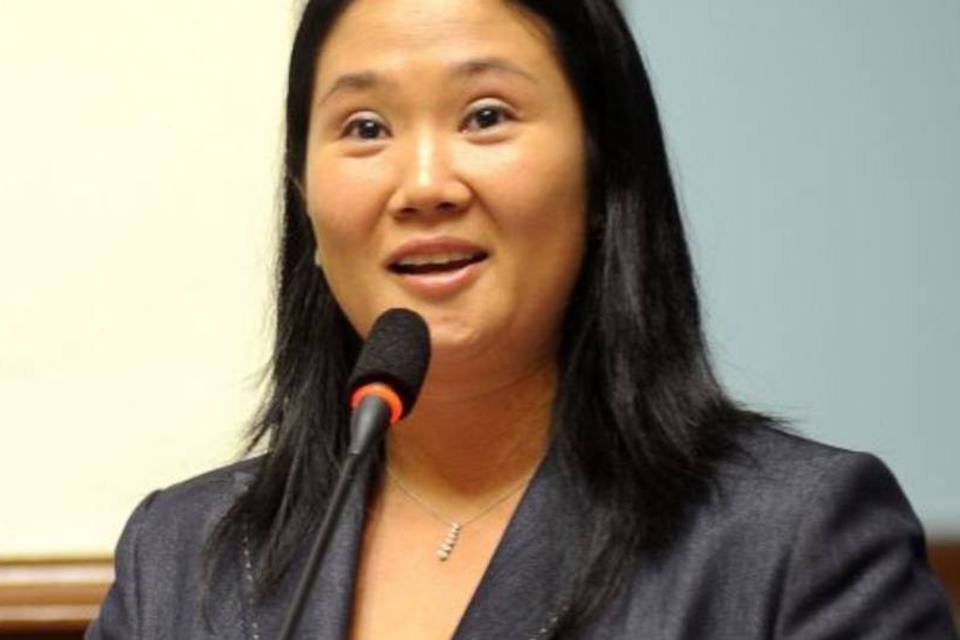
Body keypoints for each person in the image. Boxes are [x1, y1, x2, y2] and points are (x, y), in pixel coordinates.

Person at [86, 0, 958, 638]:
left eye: (486, 116)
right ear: (304, 197)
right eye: (365, 127)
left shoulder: (792, 540)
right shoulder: (180, 559)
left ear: (601, 176)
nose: (423, 184)